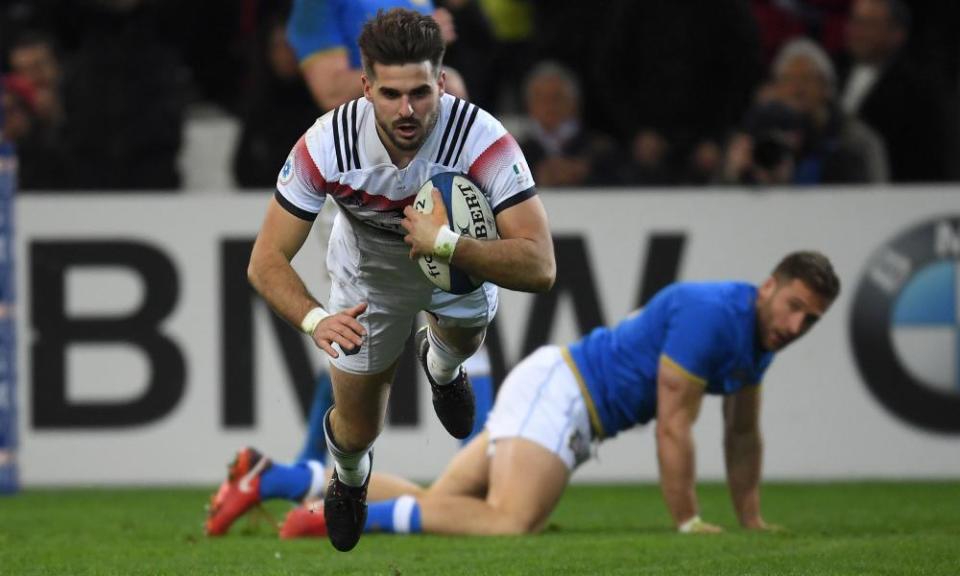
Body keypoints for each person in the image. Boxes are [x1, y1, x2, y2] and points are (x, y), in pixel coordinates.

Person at [206, 8, 555, 552]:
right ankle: (348, 477)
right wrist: (315, 318)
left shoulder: (481, 137)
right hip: (369, 282)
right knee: (357, 427)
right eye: (391, 94)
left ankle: (442, 363)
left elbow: (541, 266)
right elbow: (265, 259)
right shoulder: (328, 144)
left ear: (442, 81)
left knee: (463, 337)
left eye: (420, 91)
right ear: (365, 87)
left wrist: (447, 244)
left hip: (455, 267)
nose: (408, 109)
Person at [276, 251, 840, 538]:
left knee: (446, 507)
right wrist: (688, 521)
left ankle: (276, 481)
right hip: (563, 393)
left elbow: (743, 435)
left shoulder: (759, 337)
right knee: (511, 521)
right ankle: (346, 519)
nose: (795, 325)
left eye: (809, 320)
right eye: (794, 306)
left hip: (562, 397)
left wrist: (752, 522)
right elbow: (674, 424)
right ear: (768, 287)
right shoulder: (715, 315)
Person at [838, 0, 955, 182]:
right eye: (854, 21)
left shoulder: (919, 90)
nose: (856, 32)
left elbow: (929, 156)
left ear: (896, 34)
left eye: (868, 24)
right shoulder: (833, 72)